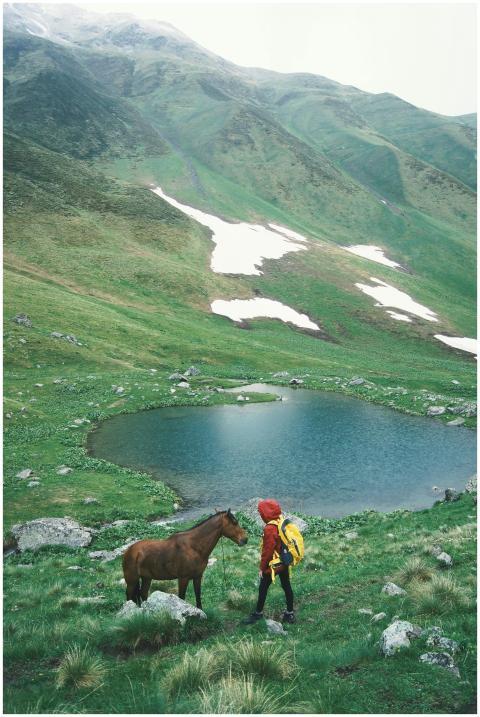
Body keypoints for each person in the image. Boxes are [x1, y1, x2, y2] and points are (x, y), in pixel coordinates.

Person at [243, 498, 295, 624]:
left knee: (263, 587)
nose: (260, 515)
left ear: (265, 513)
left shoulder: (269, 528)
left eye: (261, 512)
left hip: (274, 564)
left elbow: (267, 551)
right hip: (284, 560)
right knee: (286, 585)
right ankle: (290, 613)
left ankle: (258, 614)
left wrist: (262, 568)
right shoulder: (280, 521)